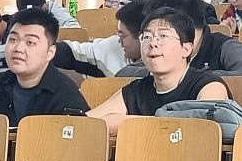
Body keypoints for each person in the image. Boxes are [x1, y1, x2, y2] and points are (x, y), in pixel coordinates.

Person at [88, 8, 228, 135]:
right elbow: (88, 122)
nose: (153, 43)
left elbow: (205, 128)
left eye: (163, 36)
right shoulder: (136, 90)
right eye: (147, 37)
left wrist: (126, 123)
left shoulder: (208, 85)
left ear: (186, 49)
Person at [0, 8, 89, 124]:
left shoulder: (66, 96)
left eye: (30, 42)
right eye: (13, 39)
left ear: (50, 53)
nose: (18, 48)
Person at [145, 0, 242, 79]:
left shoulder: (225, 46)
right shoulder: (159, 48)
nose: (156, 40)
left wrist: (190, 76)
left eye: (163, 34)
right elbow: (134, 70)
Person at [52, 0, 148, 78]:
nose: (119, 41)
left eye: (122, 36)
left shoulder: (153, 70)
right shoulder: (113, 46)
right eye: (119, 35)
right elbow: (73, 51)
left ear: (142, 37)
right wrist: (47, 49)